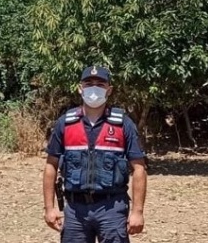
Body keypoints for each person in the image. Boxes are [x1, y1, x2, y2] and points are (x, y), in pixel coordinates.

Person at [42, 65, 147, 243]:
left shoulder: (123, 124)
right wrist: (49, 208)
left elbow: (139, 169)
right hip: (75, 210)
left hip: (112, 208)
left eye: (100, 84)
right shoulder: (65, 123)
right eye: (89, 83)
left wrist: (137, 212)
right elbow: (50, 166)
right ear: (80, 88)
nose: (94, 88)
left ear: (109, 90)